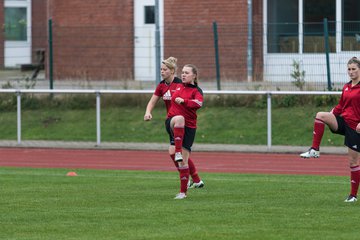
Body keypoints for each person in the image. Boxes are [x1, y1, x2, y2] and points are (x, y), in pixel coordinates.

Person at [300, 56, 360, 203]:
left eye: (354, 69)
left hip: (355, 128)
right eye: (349, 69)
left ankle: (353, 195)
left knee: (353, 162)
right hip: (343, 122)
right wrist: (331, 114)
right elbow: (340, 106)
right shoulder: (346, 87)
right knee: (321, 116)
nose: (351, 72)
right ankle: (315, 149)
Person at [144, 57, 204, 190]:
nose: (162, 72)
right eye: (161, 69)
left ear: (172, 71)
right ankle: (194, 179)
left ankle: (191, 181)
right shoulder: (161, 85)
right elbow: (152, 101)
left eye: (164, 69)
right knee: (174, 152)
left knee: (180, 154)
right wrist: (148, 112)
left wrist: (186, 102)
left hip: (183, 123)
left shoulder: (180, 84)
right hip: (173, 122)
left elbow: (196, 99)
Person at [166, 64, 204, 199]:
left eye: (186, 73)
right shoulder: (178, 85)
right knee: (180, 118)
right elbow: (169, 80)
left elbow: (199, 103)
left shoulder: (197, 91)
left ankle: (183, 192)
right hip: (172, 121)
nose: (183, 75)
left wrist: (184, 101)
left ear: (194, 75)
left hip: (189, 128)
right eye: (182, 72)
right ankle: (178, 152)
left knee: (183, 162)